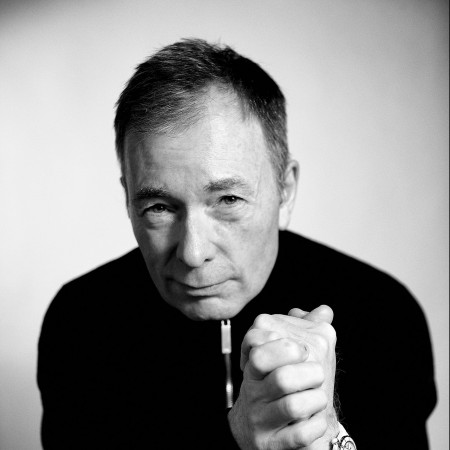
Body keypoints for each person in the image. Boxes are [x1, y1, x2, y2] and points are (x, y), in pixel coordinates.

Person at [37, 39, 436, 449]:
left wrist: (325, 431)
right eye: (159, 207)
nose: (193, 254)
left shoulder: (385, 316)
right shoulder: (79, 325)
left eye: (228, 200)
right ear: (128, 198)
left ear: (285, 191)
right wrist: (235, 438)